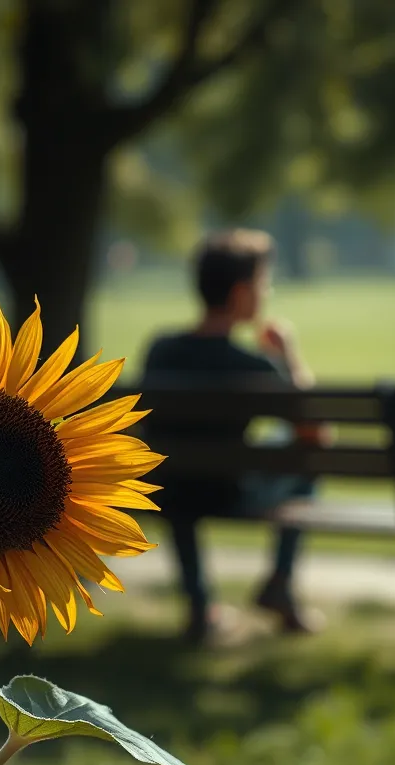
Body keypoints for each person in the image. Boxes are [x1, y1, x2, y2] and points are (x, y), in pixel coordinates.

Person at [141, 228, 325, 643]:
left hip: (169, 490)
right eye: (264, 283)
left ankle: (200, 606)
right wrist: (289, 357)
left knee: (179, 471)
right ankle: (280, 582)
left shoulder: (161, 350)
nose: (267, 293)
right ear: (241, 293)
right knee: (304, 463)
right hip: (229, 493)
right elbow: (316, 434)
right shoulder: (252, 366)